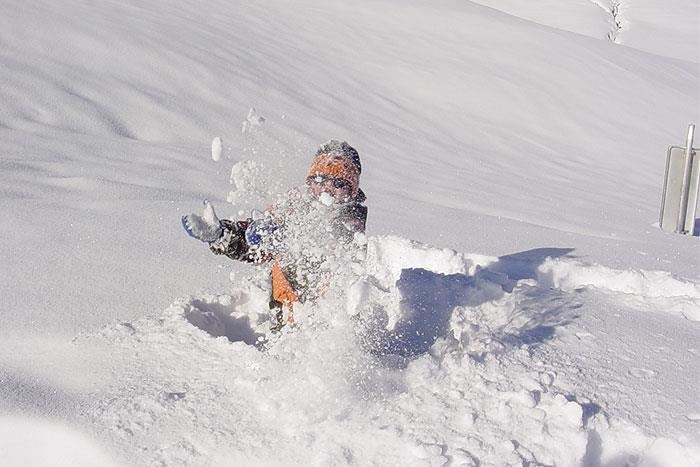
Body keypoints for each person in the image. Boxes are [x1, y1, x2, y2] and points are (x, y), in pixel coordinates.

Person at [182, 140, 367, 331]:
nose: (326, 189)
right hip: (284, 321)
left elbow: (332, 258)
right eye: (319, 180)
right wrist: (223, 235)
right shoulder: (293, 205)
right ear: (310, 183)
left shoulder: (350, 223)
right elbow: (254, 245)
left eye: (338, 183)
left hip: (329, 330)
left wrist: (289, 240)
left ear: (351, 191)